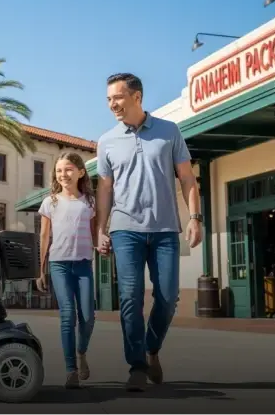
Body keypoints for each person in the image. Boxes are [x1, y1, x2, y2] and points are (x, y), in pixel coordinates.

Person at [95, 73, 202, 392]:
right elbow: (104, 190)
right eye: (108, 99)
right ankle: (137, 366)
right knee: (129, 298)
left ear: (137, 97)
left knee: (168, 298)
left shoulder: (169, 131)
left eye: (117, 97)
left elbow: (186, 177)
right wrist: (102, 228)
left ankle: (151, 348)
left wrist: (195, 216)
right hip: (125, 230)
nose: (112, 104)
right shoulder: (106, 141)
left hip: (166, 228)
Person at [35, 152, 98, 389]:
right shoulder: (50, 201)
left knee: (88, 317)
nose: (63, 174)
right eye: (59, 170)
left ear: (81, 172)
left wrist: (102, 243)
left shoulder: (89, 202)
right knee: (67, 316)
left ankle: (81, 352)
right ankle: (71, 369)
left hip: (83, 265)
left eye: (69, 169)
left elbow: (94, 233)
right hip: (59, 264)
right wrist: (40, 270)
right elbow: (44, 236)